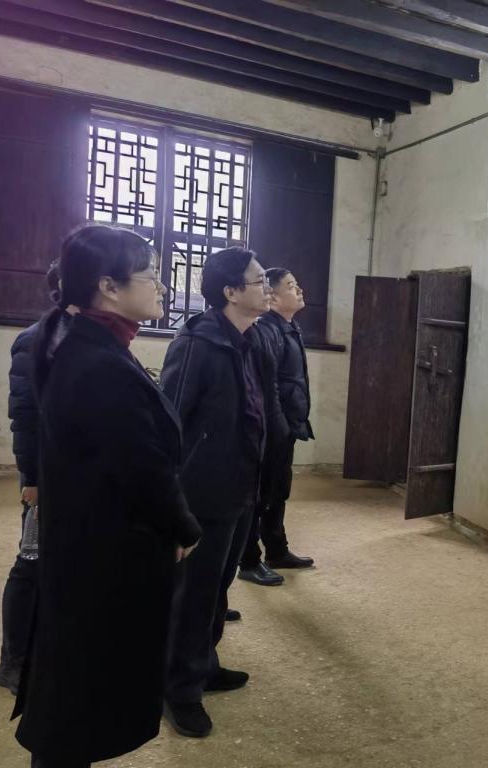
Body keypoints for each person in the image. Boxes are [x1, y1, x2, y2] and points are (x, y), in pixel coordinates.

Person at [14, 225, 202, 768]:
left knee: (77, 677)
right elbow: (141, 466)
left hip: (89, 536)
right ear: (108, 287)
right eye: (151, 275)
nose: (162, 286)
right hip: (105, 546)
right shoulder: (96, 362)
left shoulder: (82, 343)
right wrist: (182, 526)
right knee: (83, 685)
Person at [161, 246, 286, 738]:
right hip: (203, 492)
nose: (267, 289)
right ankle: (178, 690)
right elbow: (169, 425)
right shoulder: (197, 344)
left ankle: (204, 665)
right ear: (231, 291)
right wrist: (174, 504)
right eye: (258, 282)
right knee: (192, 594)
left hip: (241, 486)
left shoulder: (253, 340)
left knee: (217, 587)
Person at [0, 264, 66, 695]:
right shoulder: (37, 339)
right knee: (32, 561)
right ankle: (13, 660)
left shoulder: (86, 337)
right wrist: (34, 478)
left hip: (75, 472)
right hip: (45, 474)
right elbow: (25, 415)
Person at [239, 268, 315, 584]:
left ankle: (276, 550)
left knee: (278, 490)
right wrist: (278, 425)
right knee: (260, 493)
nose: (299, 290)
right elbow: (265, 386)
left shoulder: (288, 327)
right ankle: (248, 561)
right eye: (291, 286)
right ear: (272, 295)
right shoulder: (267, 331)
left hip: (286, 424)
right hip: (272, 426)